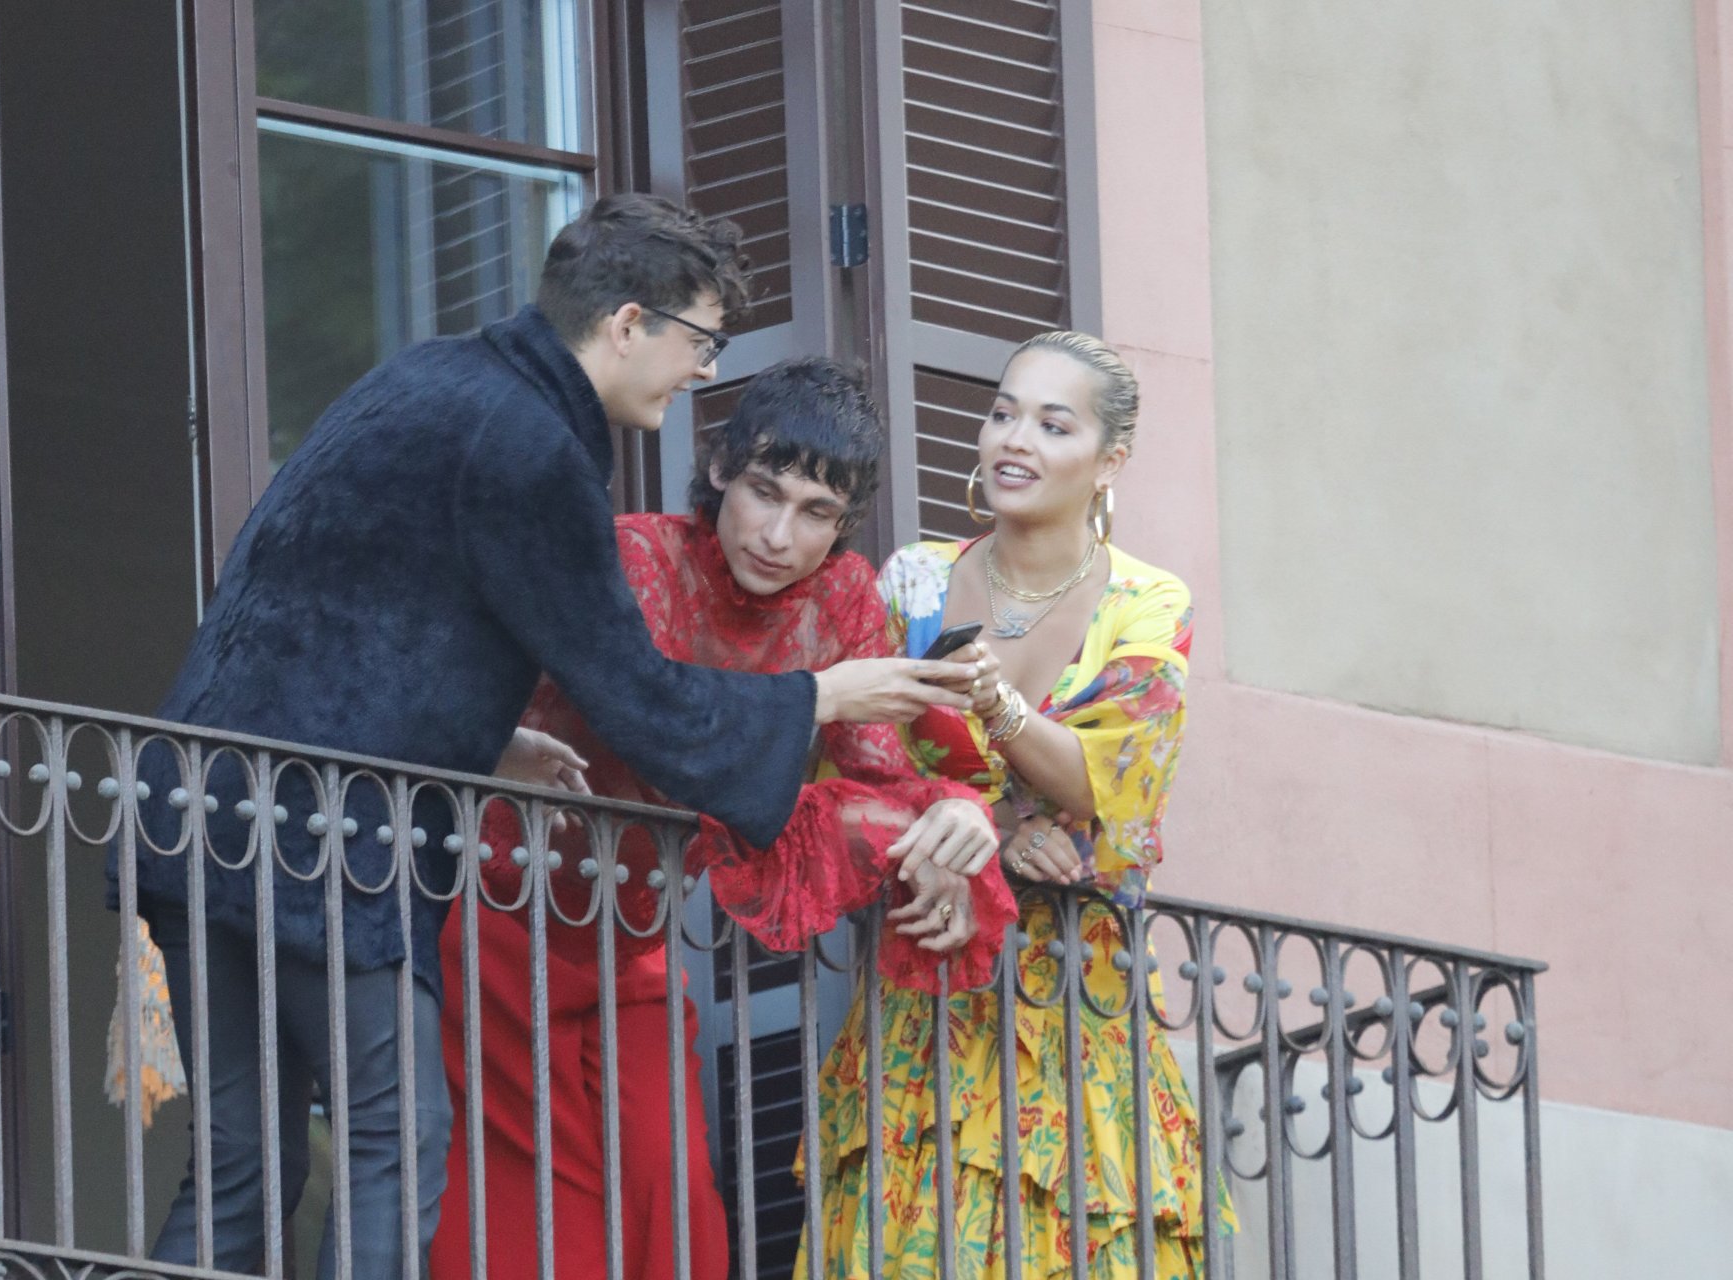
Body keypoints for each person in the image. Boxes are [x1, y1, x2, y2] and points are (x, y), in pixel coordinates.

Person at [109, 194, 981, 1278]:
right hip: (328, 832)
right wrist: (818, 697)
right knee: (396, 1142)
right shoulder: (534, 447)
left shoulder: (427, 378)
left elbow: (358, 614)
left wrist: (481, 738)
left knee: (241, 1167)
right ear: (629, 323)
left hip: (195, 803)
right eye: (700, 341)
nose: (701, 371)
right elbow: (642, 703)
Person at [430, 358, 1017, 1280]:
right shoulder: (633, 556)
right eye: (763, 492)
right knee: (538, 1218)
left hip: (637, 941)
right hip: (499, 919)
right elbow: (658, 721)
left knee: (678, 1209)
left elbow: (878, 776)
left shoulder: (843, 598)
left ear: (845, 525)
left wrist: (959, 815)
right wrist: (820, 695)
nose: (779, 535)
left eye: (816, 512)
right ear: (718, 472)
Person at [806, 332, 1229, 1278]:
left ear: (1109, 461)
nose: (1014, 439)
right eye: (1003, 413)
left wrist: (995, 704)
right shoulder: (914, 580)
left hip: (1077, 989)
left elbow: (1107, 782)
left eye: (1052, 424)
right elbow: (851, 771)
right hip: (928, 980)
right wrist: (992, 832)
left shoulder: (1147, 602)